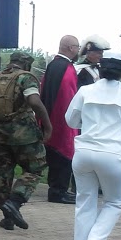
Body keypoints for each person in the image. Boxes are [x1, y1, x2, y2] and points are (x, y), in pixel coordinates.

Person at [64, 50, 121, 240]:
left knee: (85, 204)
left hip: (84, 152)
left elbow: (70, 120)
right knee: (114, 202)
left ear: (101, 67)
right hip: (112, 154)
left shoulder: (85, 91)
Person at [0, 51, 53, 230]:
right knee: (35, 168)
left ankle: (7, 216)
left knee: (3, 170)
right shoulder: (26, 77)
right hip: (24, 134)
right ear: (27, 64)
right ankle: (15, 201)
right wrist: (48, 125)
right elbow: (34, 101)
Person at [40, 35, 81, 203]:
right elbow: (68, 97)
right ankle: (58, 191)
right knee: (63, 153)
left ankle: (56, 189)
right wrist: (73, 120)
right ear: (71, 48)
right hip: (62, 120)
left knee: (54, 154)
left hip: (50, 117)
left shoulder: (53, 65)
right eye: (77, 47)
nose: (78, 50)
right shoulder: (67, 68)